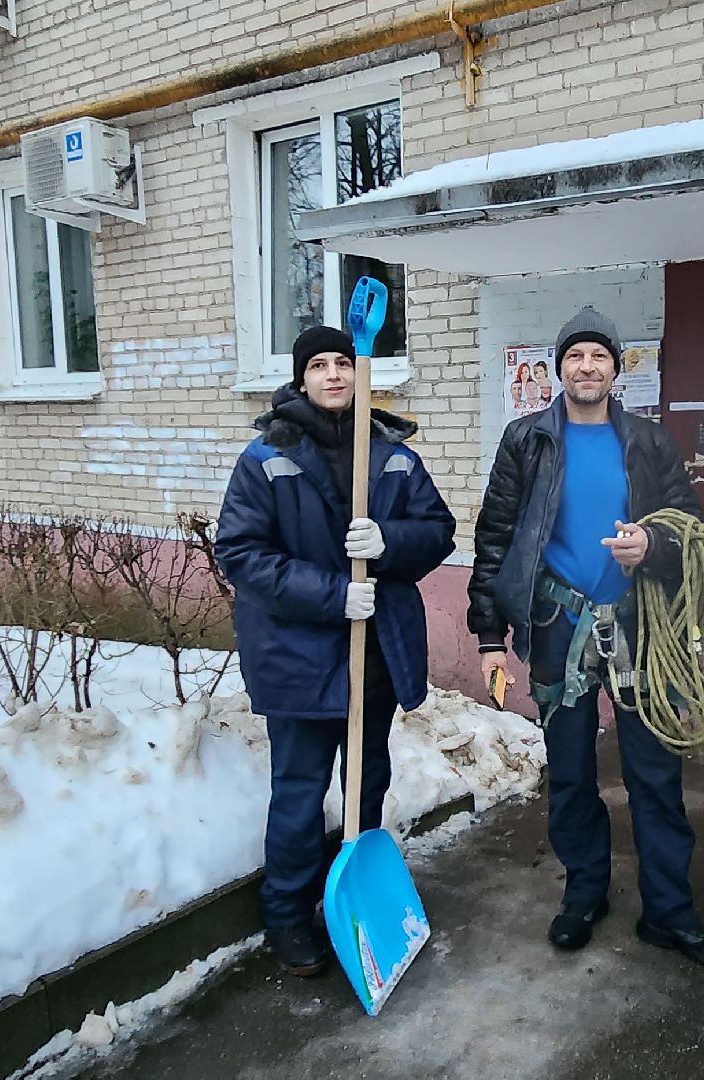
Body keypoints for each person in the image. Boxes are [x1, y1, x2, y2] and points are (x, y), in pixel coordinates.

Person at [468, 306, 704, 969]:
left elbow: (691, 526)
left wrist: (652, 544)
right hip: (557, 625)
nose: (585, 367)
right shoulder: (525, 439)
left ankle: (669, 913)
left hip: (639, 628)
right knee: (570, 771)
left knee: (654, 773)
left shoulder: (648, 441)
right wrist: (487, 636)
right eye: (574, 357)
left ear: (616, 370)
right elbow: (495, 537)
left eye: (598, 357)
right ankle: (583, 893)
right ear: (559, 368)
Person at [216, 324, 456, 977]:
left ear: (359, 374)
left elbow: (437, 531)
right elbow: (240, 554)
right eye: (318, 365)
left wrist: (388, 542)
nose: (331, 375)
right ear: (300, 379)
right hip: (299, 657)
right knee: (299, 792)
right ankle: (287, 914)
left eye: (342, 364)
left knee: (365, 781)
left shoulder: (390, 453)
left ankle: (352, 892)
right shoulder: (268, 456)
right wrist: (330, 593)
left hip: (374, 653)